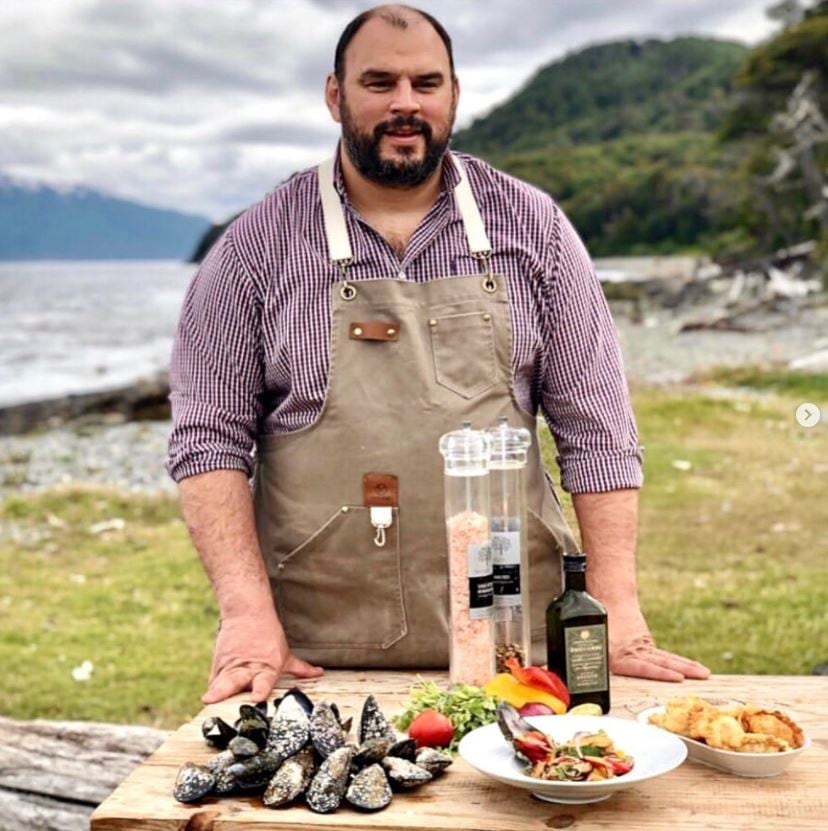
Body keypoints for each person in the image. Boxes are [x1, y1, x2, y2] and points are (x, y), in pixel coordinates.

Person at [166, 4, 710, 705]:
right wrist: (245, 616)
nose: (404, 103)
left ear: (453, 94)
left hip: (520, 647)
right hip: (314, 654)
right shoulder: (254, 247)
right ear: (335, 95)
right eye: (379, 82)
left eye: (426, 83)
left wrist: (618, 610)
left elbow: (598, 430)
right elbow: (208, 440)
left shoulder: (534, 229)